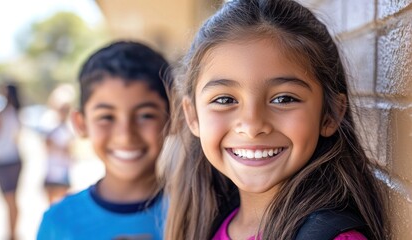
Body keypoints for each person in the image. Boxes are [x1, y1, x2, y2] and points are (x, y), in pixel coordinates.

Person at [163, 0, 389, 239]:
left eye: (283, 99)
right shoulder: (207, 224)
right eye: (225, 100)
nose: (252, 126)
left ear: (330, 114)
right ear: (192, 115)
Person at [37, 40, 172, 239]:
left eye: (145, 115)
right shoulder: (58, 223)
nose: (125, 135)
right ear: (81, 124)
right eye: (106, 117)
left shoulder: (199, 213)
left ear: (173, 117)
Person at [0, 82, 23, 240]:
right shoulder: (17, 113)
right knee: (12, 199)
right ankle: (12, 232)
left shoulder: (3, 113)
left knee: (9, 200)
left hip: (5, 160)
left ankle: (12, 234)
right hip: (15, 159)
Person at [43, 84, 76, 204]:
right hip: (51, 169)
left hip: (64, 170)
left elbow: (71, 148)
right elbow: (46, 145)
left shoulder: (69, 127)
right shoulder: (50, 123)